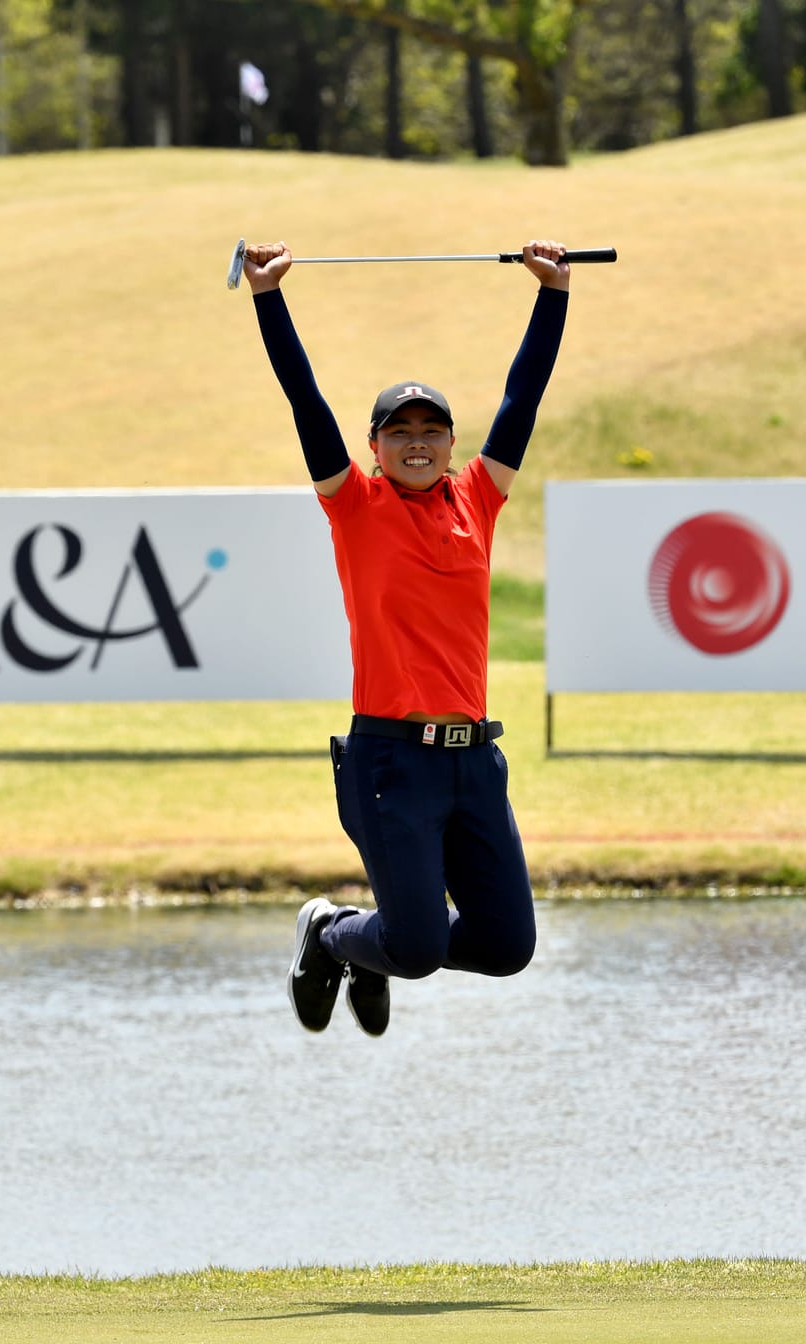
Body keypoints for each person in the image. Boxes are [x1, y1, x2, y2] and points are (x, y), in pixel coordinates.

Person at [243, 238, 571, 1037]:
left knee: (506, 948)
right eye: (399, 431)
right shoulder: (354, 505)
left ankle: (368, 945)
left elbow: (522, 399)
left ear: (453, 443)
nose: (417, 441)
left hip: (474, 764)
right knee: (418, 949)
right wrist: (268, 298)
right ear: (375, 446)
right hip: (391, 762)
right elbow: (305, 400)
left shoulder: (479, 499)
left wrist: (553, 293)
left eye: (432, 429)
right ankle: (333, 932)